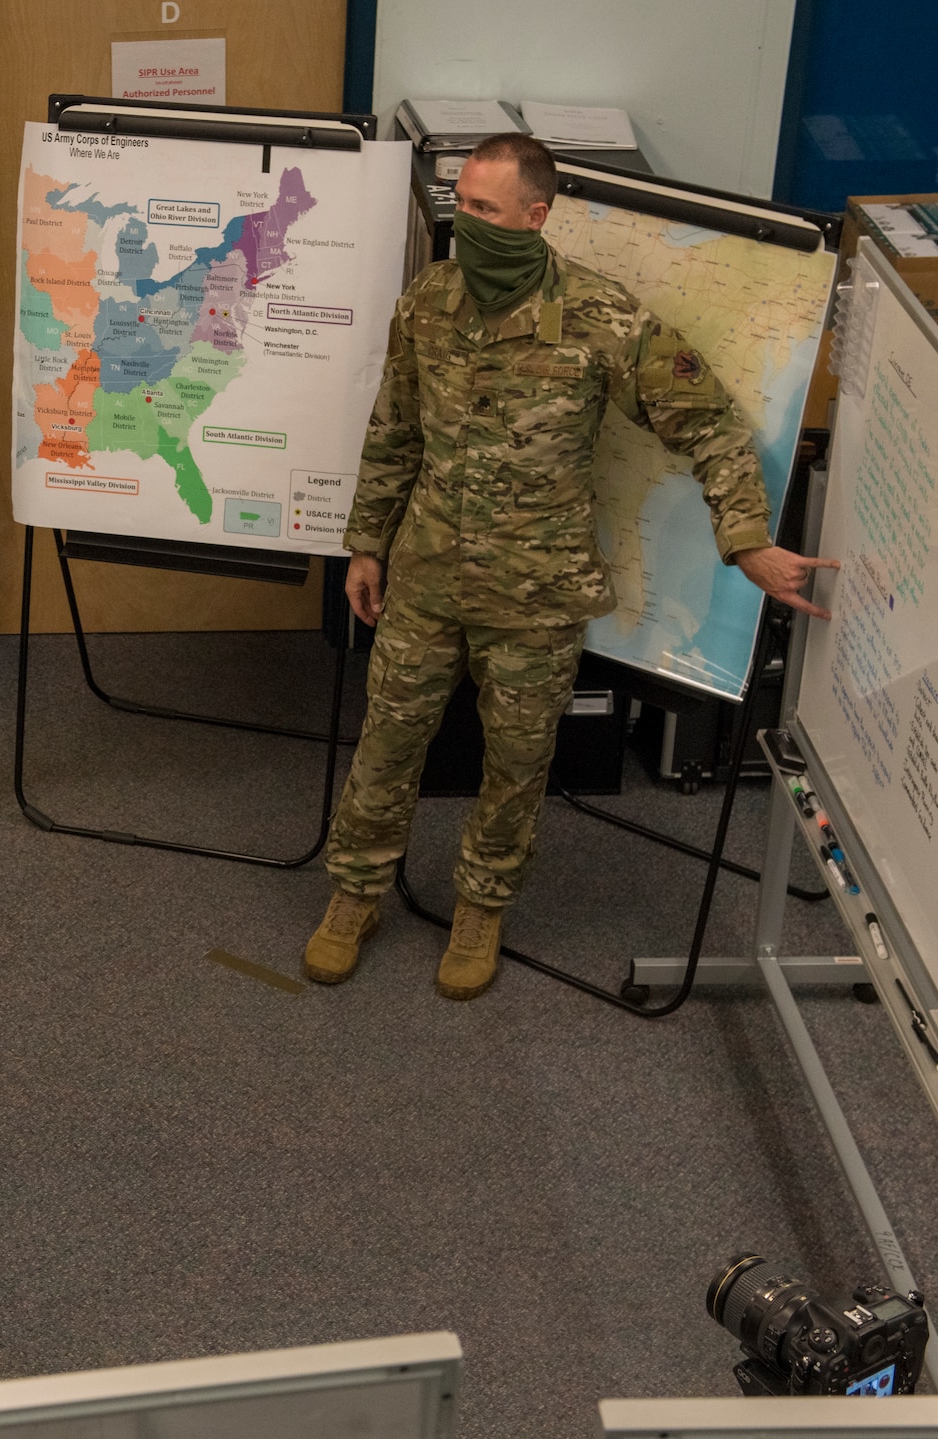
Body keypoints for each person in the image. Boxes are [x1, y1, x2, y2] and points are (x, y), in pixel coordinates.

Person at [303, 133, 835, 1000]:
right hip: (427, 575)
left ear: (534, 216)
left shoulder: (601, 320)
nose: (464, 222)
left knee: (516, 759)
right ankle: (354, 891)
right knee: (388, 739)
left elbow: (708, 422)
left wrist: (744, 539)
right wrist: (367, 542)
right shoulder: (429, 302)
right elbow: (394, 428)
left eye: (484, 209)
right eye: (459, 203)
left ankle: (482, 905)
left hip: (536, 594)